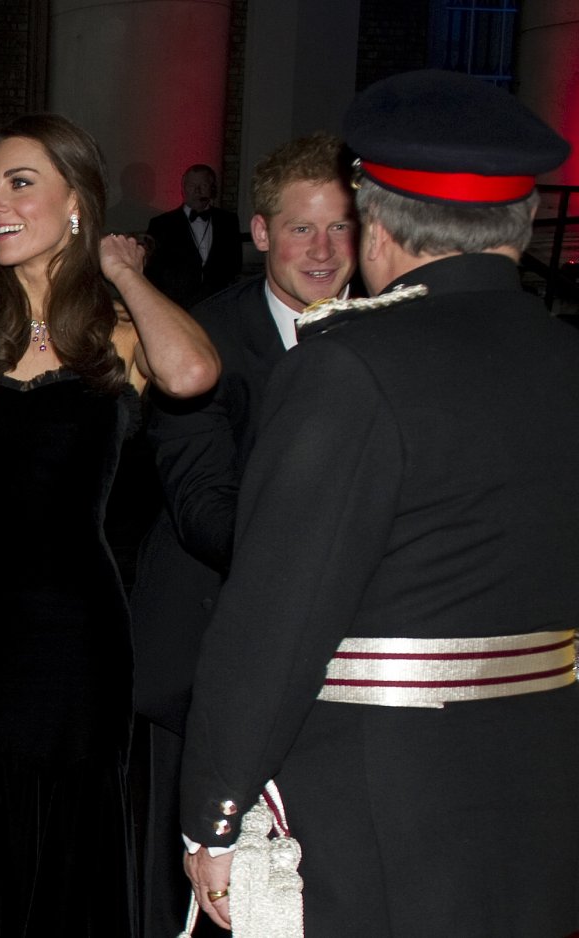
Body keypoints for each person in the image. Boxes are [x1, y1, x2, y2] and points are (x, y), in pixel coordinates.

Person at [181, 70, 579, 938]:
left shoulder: (349, 368)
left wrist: (214, 813)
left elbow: (274, 619)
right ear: (522, 220)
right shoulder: (564, 360)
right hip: (545, 786)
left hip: (378, 807)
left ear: (379, 221)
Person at [0, 112, 220, 936]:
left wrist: (125, 274)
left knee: (73, 841)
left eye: (21, 182)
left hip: (80, 632)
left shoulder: (122, 340)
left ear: (76, 204)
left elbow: (195, 371)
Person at [131, 132, 357, 938]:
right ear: (261, 233)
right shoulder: (203, 339)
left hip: (340, 676)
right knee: (188, 896)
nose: (324, 251)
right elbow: (202, 508)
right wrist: (341, 561)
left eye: (341, 229)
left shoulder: (383, 332)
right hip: (199, 658)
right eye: (302, 228)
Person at [145, 164, 241, 308]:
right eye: (191, 185)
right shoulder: (161, 224)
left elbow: (234, 263)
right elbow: (153, 271)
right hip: (176, 306)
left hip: (218, 304)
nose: (197, 191)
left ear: (212, 188)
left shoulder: (228, 221)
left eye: (203, 185)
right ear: (183, 188)